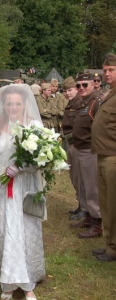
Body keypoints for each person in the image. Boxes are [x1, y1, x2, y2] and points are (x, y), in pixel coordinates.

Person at [0, 84, 45, 300]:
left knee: (21, 230)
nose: (13, 107)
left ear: (24, 104)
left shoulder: (34, 126)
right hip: (0, 186)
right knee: (4, 228)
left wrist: (21, 168)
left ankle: (25, 282)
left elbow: (41, 159)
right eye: (9, 103)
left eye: (17, 103)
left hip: (24, 186)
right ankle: (8, 277)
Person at [70, 73, 102, 238]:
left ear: (93, 85)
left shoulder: (97, 102)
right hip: (80, 148)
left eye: (85, 85)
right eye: (78, 86)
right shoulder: (84, 102)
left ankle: (98, 222)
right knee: (83, 185)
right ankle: (89, 216)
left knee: (92, 187)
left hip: (90, 150)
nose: (81, 88)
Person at [91, 53, 116, 261]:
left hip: (113, 158)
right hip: (103, 155)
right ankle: (109, 244)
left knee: (113, 204)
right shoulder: (109, 94)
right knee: (106, 204)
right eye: (105, 70)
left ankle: (114, 247)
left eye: (111, 70)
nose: (107, 74)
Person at [61, 77, 84, 220]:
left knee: (81, 177)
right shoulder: (71, 103)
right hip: (71, 143)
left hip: (78, 144)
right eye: (65, 91)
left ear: (76, 89)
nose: (67, 93)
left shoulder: (80, 103)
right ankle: (81, 205)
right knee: (75, 176)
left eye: (70, 90)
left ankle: (85, 208)